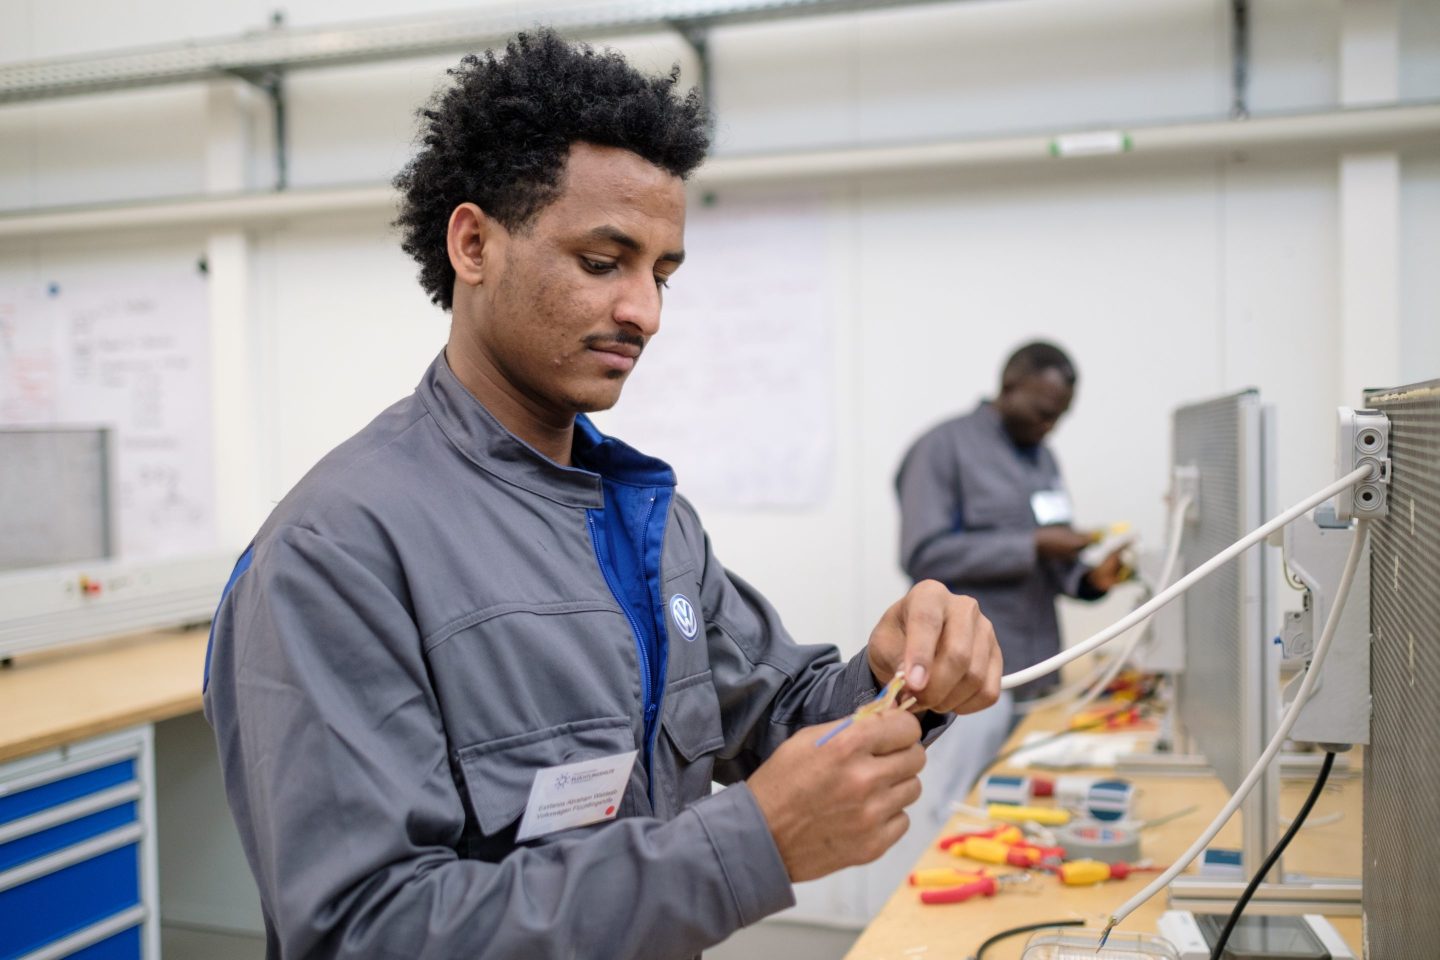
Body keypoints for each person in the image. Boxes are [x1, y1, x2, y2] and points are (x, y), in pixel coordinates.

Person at [203, 31, 1001, 960]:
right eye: (602, 262)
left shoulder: (642, 517)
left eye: (662, 273)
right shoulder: (338, 551)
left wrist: (896, 674)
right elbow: (365, 933)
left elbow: (775, 713)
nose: (646, 314)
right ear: (473, 243)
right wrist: (748, 846)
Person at [893, 341, 1126, 810]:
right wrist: (1033, 544)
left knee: (1021, 808)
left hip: (1037, 678)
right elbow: (924, 555)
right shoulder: (942, 448)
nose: (1050, 426)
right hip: (968, 680)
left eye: (1060, 416)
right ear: (1010, 386)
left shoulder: (1043, 457)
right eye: (1043, 411)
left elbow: (1052, 562)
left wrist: (1090, 580)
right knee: (956, 812)